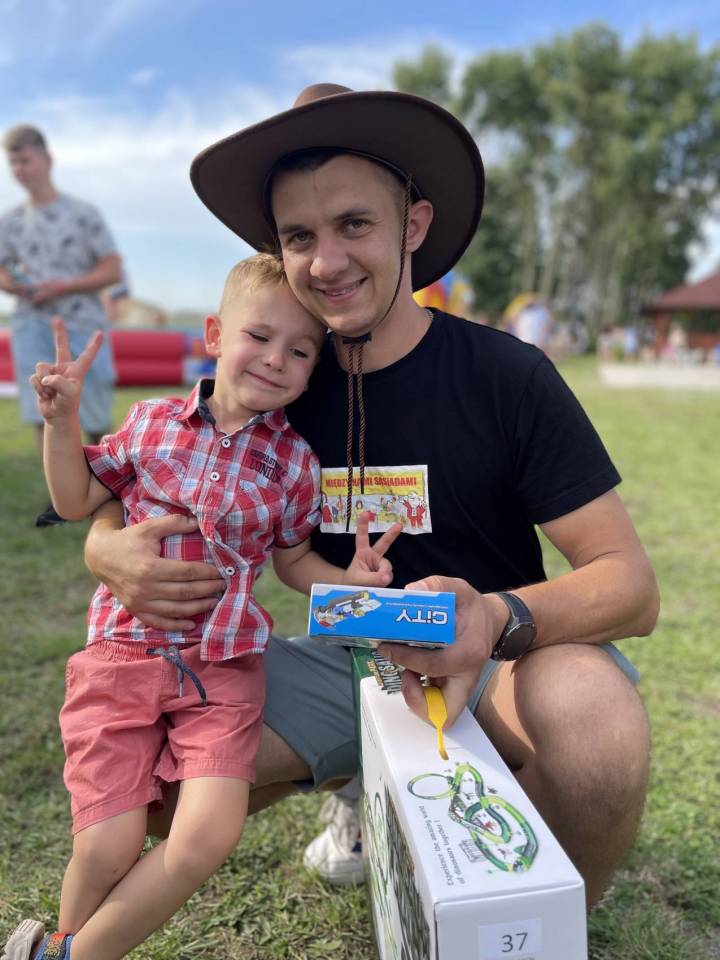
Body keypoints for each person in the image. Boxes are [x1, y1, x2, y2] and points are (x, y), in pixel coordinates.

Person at [9, 83, 659, 954]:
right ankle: (362, 789)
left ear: (413, 225)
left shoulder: (508, 376)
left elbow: (631, 585)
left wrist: (492, 617)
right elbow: (139, 487)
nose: (326, 262)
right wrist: (107, 552)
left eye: (355, 224)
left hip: (495, 662)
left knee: (595, 723)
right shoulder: (280, 377)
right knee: (144, 774)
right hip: (348, 657)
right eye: (298, 236)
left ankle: (528, 930)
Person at [6, 253, 401, 960]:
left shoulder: (296, 465)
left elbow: (293, 564)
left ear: (313, 369)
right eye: (260, 336)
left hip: (223, 672)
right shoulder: (151, 422)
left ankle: (60, 955)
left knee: (207, 836)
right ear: (216, 335)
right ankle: (62, 944)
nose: (276, 359)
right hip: (121, 660)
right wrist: (60, 423)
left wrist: (353, 581)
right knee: (107, 844)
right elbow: (74, 498)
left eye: (299, 351)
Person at [0, 123, 122, 527]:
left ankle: (108, 487)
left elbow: (112, 269)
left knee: (95, 412)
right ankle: (60, 498)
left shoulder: (83, 214)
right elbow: (2, 269)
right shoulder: (10, 221)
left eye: (25, 159)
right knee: (44, 409)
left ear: (47, 160)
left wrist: (63, 285)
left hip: (82, 324)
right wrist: (14, 284)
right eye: (13, 162)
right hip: (30, 323)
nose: (19, 169)